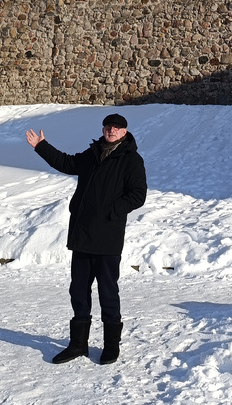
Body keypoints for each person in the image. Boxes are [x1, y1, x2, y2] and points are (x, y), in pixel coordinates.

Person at [25, 113, 147, 365]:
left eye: (117, 127)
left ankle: (111, 346)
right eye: (108, 126)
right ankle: (78, 344)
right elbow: (66, 163)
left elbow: (137, 195)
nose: (111, 130)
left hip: (107, 237)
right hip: (82, 235)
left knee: (107, 292)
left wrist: (111, 211)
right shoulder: (92, 154)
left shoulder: (131, 160)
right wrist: (41, 146)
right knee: (78, 291)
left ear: (124, 132)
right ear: (103, 130)